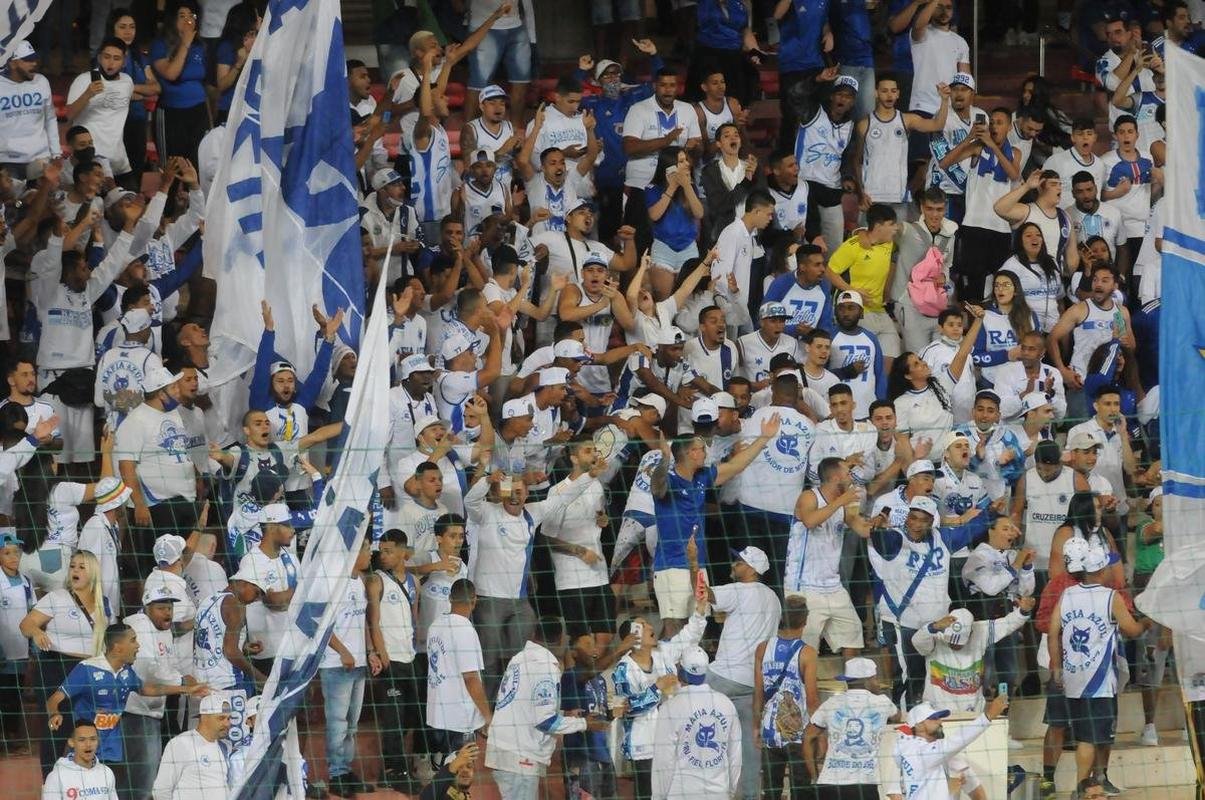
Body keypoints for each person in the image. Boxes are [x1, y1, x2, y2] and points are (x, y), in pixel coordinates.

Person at [1049, 542, 1150, 796]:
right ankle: (1082, 789)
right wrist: (1149, 620)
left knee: (1091, 734)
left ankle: (1094, 783)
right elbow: (1133, 630)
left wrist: (1057, 668)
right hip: (1099, 681)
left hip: (1072, 679)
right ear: (1102, 569)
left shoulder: (1068, 594)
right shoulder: (1110, 597)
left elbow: (1053, 633)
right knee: (1089, 739)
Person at [46, 623, 206, 776]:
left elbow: (146, 689)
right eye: (133, 640)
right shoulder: (87, 669)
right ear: (117, 647)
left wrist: (185, 689)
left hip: (112, 747)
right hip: (85, 746)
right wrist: (54, 714)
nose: (138, 646)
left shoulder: (126, 672)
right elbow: (54, 699)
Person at [868, 494, 982, 709]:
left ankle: (925, 719)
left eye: (923, 520)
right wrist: (878, 530)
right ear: (907, 518)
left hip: (935, 625)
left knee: (930, 677)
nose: (916, 524)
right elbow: (882, 543)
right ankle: (904, 724)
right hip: (902, 623)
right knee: (908, 676)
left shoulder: (943, 538)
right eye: (913, 517)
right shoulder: (895, 539)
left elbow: (970, 531)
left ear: (932, 522)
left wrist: (992, 511)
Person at [485, 615, 599, 799]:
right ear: (561, 638)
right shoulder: (545, 666)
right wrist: (585, 724)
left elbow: (523, 704)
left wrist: (563, 713)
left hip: (503, 749)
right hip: (520, 756)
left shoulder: (518, 659)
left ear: (533, 633)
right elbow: (545, 722)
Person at [19, 551, 111, 775]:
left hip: (90, 670)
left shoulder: (104, 603)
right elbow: (25, 624)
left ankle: (86, 782)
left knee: (88, 728)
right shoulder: (57, 597)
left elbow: (108, 640)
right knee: (56, 728)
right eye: (72, 566)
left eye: (81, 567)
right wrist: (37, 633)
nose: (75, 571)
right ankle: (48, 783)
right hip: (56, 667)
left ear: (93, 571)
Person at [787, 456, 873, 657]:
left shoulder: (844, 505)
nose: (852, 478)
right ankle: (800, 686)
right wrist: (841, 501)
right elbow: (809, 521)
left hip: (833, 586)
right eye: (848, 473)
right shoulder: (809, 497)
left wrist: (877, 523)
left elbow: (862, 530)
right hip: (804, 586)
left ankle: (852, 683)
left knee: (853, 637)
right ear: (835, 477)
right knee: (805, 649)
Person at [121, 582, 194, 800]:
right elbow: (147, 669)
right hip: (133, 713)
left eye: (170, 607)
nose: (168, 612)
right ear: (147, 607)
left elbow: (166, 666)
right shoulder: (140, 627)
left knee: (142, 775)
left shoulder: (161, 630)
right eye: (161, 607)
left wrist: (181, 679)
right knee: (143, 778)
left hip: (149, 711)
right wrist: (182, 681)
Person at [945, 108, 1022, 302]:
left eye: (999, 122)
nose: (995, 126)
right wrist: (969, 138)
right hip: (974, 225)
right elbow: (945, 162)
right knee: (972, 283)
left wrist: (993, 147)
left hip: (1001, 227)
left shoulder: (1015, 152)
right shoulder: (977, 147)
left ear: (1009, 128)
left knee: (1002, 282)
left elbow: (1013, 174)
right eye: (992, 122)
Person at [650, 646, 742, 800]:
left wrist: (658, 797)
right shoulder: (726, 704)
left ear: (680, 669)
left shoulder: (670, 708)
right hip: (718, 792)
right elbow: (735, 754)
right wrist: (730, 790)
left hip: (681, 792)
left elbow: (663, 761)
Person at [751, 595, 819, 800]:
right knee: (802, 789)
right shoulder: (807, 653)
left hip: (770, 730)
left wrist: (756, 726)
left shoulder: (763, 648)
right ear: (805, 621)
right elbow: (813, 699)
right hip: (798, 733)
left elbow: (758, 693)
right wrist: (820, 731)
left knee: (771, 790)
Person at [854, 75, 950, 220]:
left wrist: (944, 100)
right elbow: (856, 160)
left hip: (898, 196)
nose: (889, 95)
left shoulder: (907, 119)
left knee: (897, 242)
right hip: (871, 197)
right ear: (876, 93)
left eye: (893, 91)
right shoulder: (864, 124)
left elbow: (937, 125)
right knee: (870, 242)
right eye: (884, 91)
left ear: (898, 94)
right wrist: (860, 192)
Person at [321, 537, 373, 797]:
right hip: (335, 664)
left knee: (352, 724)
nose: (370, 553)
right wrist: (342, 651)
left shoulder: (360, 581)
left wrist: (370, 651)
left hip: (358, 663)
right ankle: (335, 774)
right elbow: (321, 626)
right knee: (337, 723)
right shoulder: (334, 583)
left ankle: (345, 771)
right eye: (365, 548)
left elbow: (362, 621)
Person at [806, 657, 900, 798]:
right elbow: (897, 717)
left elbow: (808, 737)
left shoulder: (831, 702)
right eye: (875, 679)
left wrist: (814, 775)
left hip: (829, 783)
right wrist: (877, 692)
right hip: (864, 785)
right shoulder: (883, 702)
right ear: (868, 679)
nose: (877, 683)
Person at [826, 205, 904, 368]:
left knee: (892, 353)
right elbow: (830, 271)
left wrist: (861, 231)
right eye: (891, 224)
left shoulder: (889, 243)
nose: (895, 228)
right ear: (878, 226)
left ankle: (881, 392)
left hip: (880, 311)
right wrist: (851, 290)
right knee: (865, 361)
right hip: (860, 312)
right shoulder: (853, 246)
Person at [890, 694, 1009, 800]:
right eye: (934, 718)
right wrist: (988, 716)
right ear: (919, 725)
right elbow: (957, 741)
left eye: (940, 718)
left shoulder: (948, 759)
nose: (940, 722)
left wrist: (949, 791)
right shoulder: (919, 752)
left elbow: (977, 792)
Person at [426, 578, 492, 755]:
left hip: (436, 716)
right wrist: (487, 716)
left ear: (450, 599)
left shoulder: (435, 625)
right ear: (474, 600)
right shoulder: (465, 630)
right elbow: (470, 678)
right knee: (460, 775)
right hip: (459, 719)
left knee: (445, 773)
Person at [893, 188, 957, 354]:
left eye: (939, 209)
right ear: (921, 208)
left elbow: (947, 264)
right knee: (918, 359)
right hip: (909, 304)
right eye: (929, 209)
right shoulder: (907, 230)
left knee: (941, 357)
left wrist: (944, 275)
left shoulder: (950, 233)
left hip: (937, 306)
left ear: (945, 208)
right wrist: (862, 234)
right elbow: (880, 231)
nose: (934, 215)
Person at [65, 39, 135, 181]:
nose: (110, 63)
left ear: (124, 62)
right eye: (107, 57)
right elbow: (68, 114)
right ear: (99, 58)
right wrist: (88, 94)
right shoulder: (83, 80)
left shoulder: (127, 82)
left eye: (116, 58)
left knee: (132, 202)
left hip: (119, 162)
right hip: (91, 163)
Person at [150, 1, 209, 163]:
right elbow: (171, 74)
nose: (188, 21)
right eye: (182, 16)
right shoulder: (160, 45)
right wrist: (185, 43)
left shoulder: (200, 46)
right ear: (172, 19)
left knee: (197, 164)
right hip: (172, 113)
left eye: (192, 16)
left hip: (198, 111)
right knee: (173, 167)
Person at [152, 691, 232, 800]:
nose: (227, 724)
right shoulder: (182, 743)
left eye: (229, 718)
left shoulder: (222, 748)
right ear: (204, 717)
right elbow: (161, 791)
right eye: (221, 718)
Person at [0, 41, 59, 173]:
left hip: (41, 158)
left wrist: (56, 153)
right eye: (27, 60)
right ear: (12, 63)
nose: (34, 64)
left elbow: (50, 119)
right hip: (7, 161)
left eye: (34, 59)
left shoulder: (41, 81)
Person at [828, 290, 888, 418]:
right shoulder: (829, 337)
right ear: (835, 312)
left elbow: (880, 374)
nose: (845, 313)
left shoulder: (871, 338)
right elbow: (821, 374)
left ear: (861, 313)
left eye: (851, 308)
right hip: (838, 411)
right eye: (841, 309)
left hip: (868, 408)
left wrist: (881, 405)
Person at [41, 719, 118, 800]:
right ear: (71, 742)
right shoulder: (56, 777)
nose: (88, 744)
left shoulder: (107, 772)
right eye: (82, 740)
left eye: (93, 739)